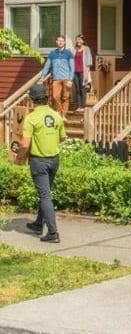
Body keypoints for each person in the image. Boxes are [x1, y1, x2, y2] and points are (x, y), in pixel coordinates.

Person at [16, 84, 66, 243]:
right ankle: (38, 224)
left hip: (39, 161)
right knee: (46, 193)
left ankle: (53, 233)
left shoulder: (31, 118)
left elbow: (24, 144)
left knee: (44, 195)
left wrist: (19, 159)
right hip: (54, 160)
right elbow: (62, 138)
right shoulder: (56, 115)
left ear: (32, 100)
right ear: (46, 98)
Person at [37, 35, 75, 118]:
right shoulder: (52, 54)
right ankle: (60, 113)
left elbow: (72, 68)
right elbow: (47, 66)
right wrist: (42, 78)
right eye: (59, 41)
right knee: (55, 96)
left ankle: (63, 116)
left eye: (62, 41)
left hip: (66, 78)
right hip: (56, 79)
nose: (60, 42)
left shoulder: (69, 53)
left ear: (64, 42)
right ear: (56, 42)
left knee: (65, 97)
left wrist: (70, 79)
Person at [70, 34, 93, 112]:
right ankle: (79, 106)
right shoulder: (73, 49)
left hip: (83, 71)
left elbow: (89, 62)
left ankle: (83, 106)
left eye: (79, 39)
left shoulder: (86, 49)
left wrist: (86, 74)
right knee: (77, 89)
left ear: (83, 41)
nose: (78, 41)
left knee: (83, 89)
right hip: (75, 72)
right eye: (77, 39)